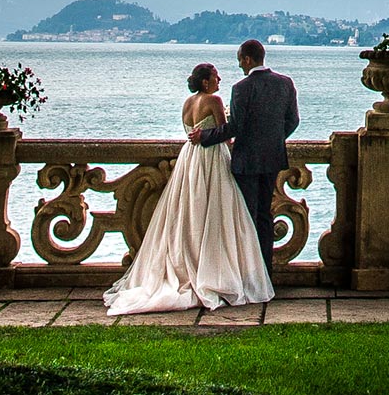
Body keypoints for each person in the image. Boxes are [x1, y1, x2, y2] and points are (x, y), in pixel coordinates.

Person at [100, 60, 274, 314]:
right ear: (206, 81)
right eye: (216, 76)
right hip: (212, 157)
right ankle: (217, 271)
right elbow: (226, 134)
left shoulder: (187, 103)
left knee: (189, 213)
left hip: (190, 158)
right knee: (218, 214)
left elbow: (192, 131)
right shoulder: (213, 102)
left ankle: (190, 264)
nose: (219, 80)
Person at [190, 38, 300, 276]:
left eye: (240, 60)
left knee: (245, 217)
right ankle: (264, 273)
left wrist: (205, 136)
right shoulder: (285, 83)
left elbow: (234, 128)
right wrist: (273, 141)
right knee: (264, 216)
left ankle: (247, 274)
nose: (240, 66)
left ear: (248, 59)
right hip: (272, 159)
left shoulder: (241, 88)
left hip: (246, 160)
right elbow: (293, 121)